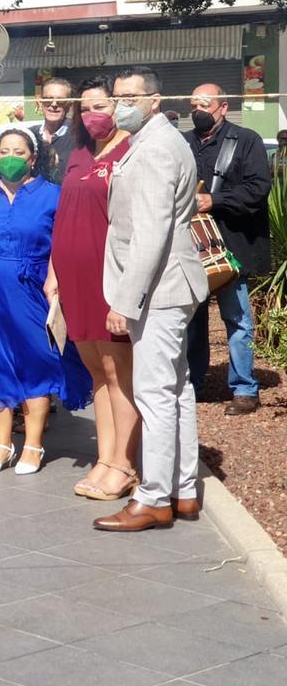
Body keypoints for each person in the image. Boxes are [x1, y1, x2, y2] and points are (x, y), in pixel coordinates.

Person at [94, 67, 209, 532]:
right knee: (176, 388)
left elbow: (151, 234)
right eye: (117, 96)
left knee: (155, 393)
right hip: (169, 284)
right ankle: (182, 491)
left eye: (131, 97)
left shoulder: (157, 149)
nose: (122, 104)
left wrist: (125, 300)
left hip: (160, 287)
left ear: (155, 100)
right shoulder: (152, 142)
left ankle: (155, 498)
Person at [0, 126, 92, 476]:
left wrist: (55, 279)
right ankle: (2, 445)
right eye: (4, 151)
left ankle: (32, 445)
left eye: (19, 152)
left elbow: (61, 244)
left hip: (32, 287)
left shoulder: (52, 196)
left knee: (36, 363)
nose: (10, 158)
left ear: (32, 159)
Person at [49, 76, 139, 501]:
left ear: (117, 106)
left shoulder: (130, 151)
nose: (91, 115)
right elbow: (64, 215)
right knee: (97, 375)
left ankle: (125, 463)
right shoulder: (78, 153)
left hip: (111, 280)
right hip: (74, 281)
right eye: (84, 109)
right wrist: (54, 272)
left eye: (99, 106)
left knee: (120, 373)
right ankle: (105, 459)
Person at [185, 84, 272, 416]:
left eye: (204, 104)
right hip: (191, 246)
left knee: (237, 319)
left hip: (231, 247)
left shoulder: (245, 140)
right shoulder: (185, 142)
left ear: (223, 107)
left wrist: (214, 200)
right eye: (193, 104)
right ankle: (192, 383)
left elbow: (258, 188)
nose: (198, 110)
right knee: (192, 321)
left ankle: (245, 388)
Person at [30, 78, 76, 184]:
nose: (54, 104)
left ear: (69, 105)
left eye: (60, 101)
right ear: (39, 102)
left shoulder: (80, 136)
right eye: (48, 99)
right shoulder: (29, 136)